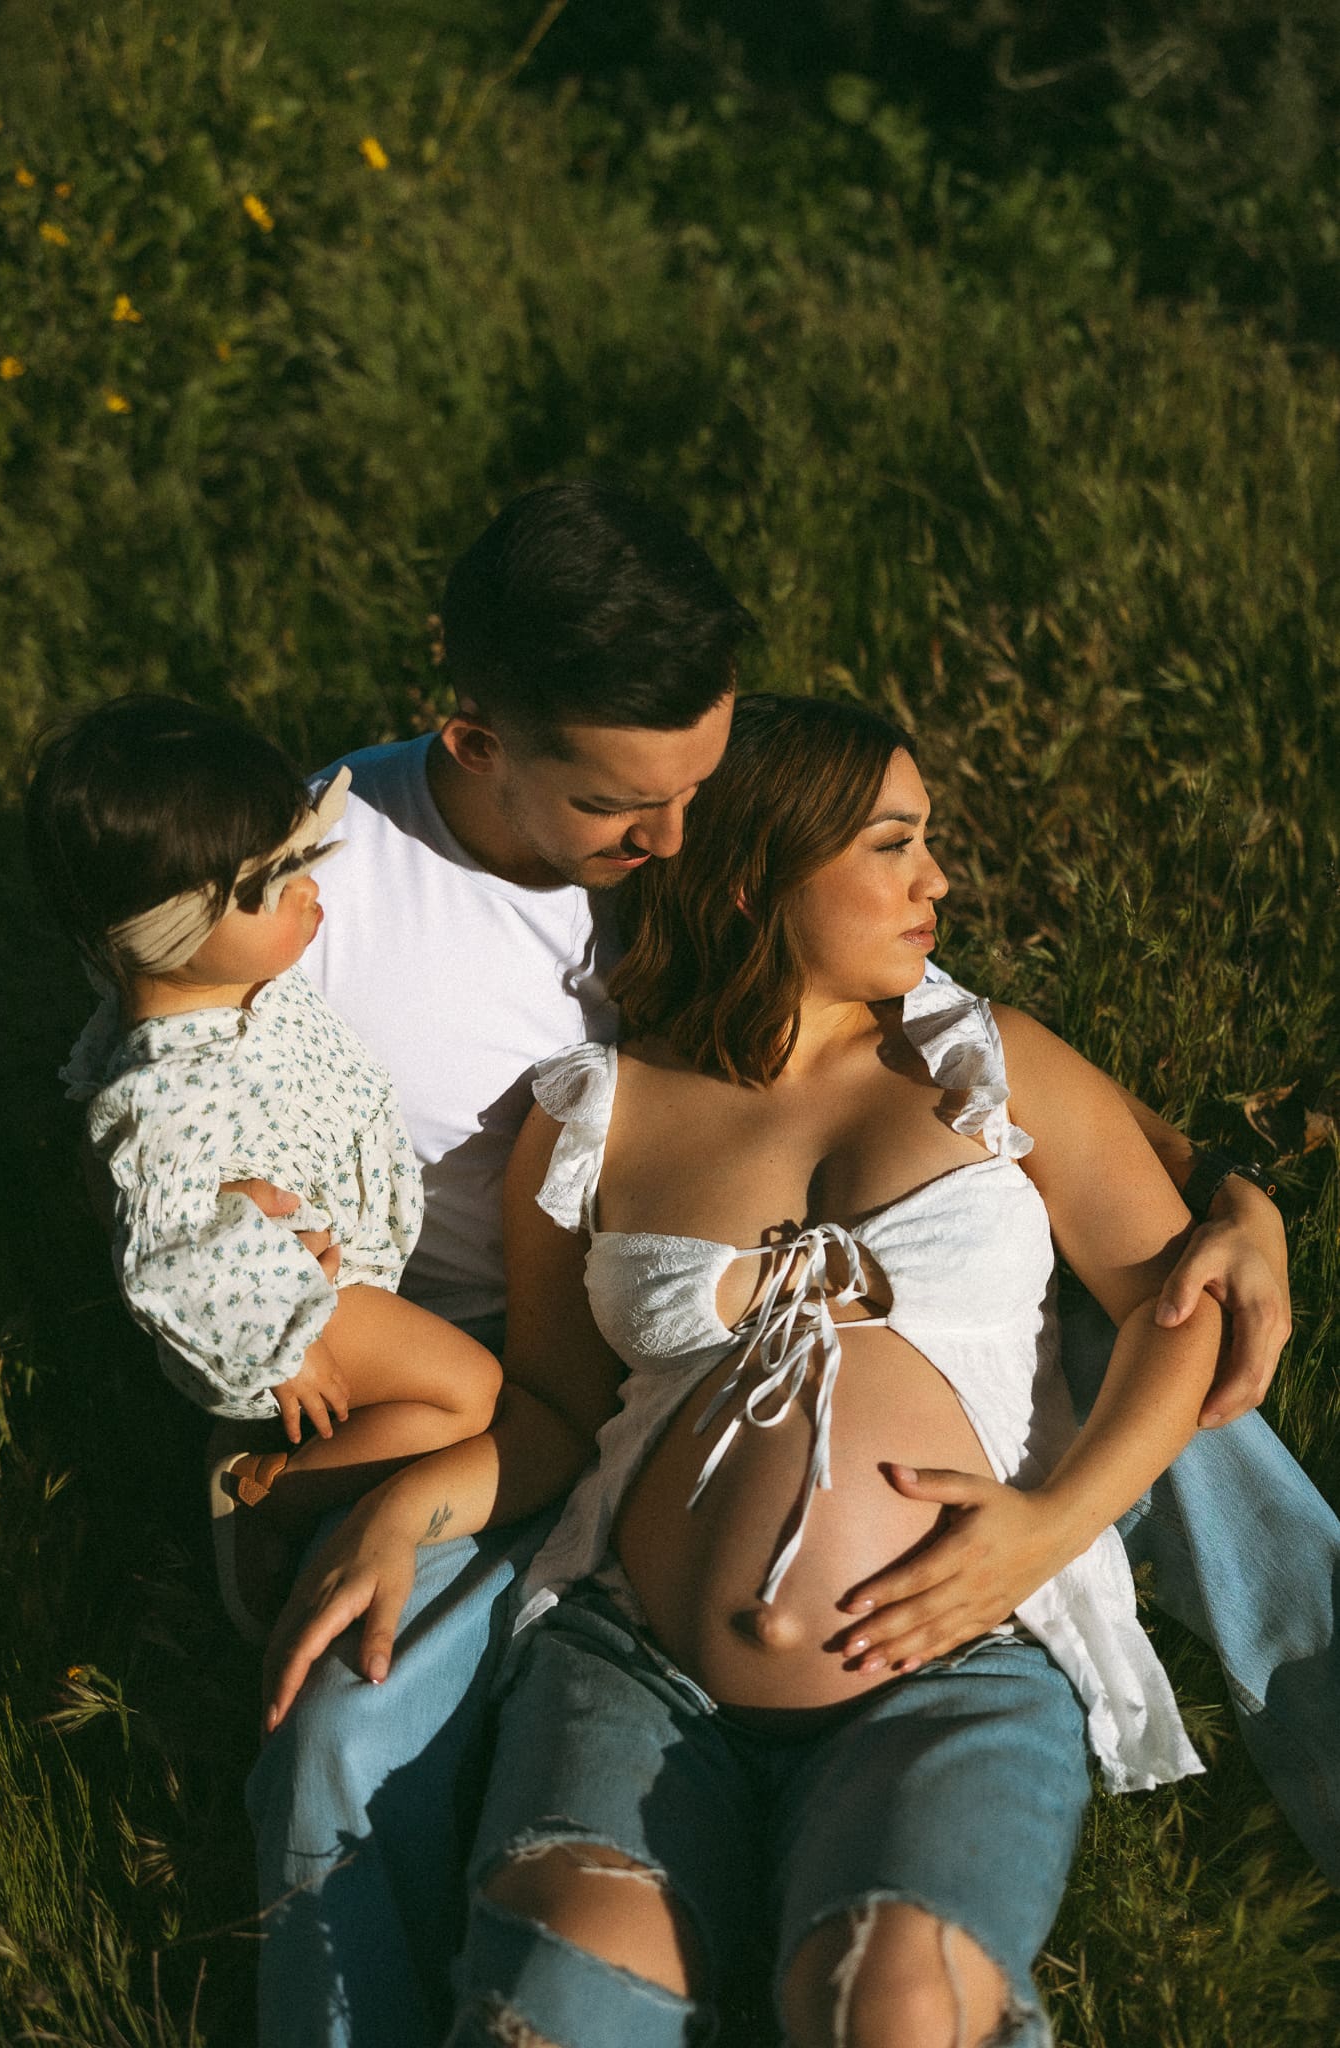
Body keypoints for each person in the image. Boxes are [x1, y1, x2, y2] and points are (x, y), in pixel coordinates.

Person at [246, 482, 1334, 2048]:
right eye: (892, 845)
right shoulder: (410, 970)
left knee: (891, 2003)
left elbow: (1127, 1224)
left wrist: (1226, 1219)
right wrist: (360, 1472)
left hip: (945, 1607)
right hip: (584, 1538)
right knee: (446, 1866)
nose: (671, 842)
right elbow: (542, 1401)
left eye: (702, 787)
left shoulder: (915, 1018)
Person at [25, 698, 502, 1637]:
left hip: (317, 1280)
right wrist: (284, 1339)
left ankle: (293, 1461)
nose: (312, 892)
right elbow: (164, 1253)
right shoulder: (168, 1090)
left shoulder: (231, 984)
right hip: (285, 1307)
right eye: (274, 883)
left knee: (458, 1389)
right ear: (169, 934)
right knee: (469, 1392)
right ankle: (266, 1488)